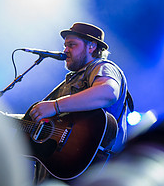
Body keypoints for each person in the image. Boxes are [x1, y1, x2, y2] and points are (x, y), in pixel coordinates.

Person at [28, 22, 131, 183]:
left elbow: (108, 92)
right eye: (65, 45)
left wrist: (55, 106)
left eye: (72, 45)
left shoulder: (102, 67)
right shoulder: (71, 80)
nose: (65, 50)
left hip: (87, 170)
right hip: (58, 171)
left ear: (91, 46)